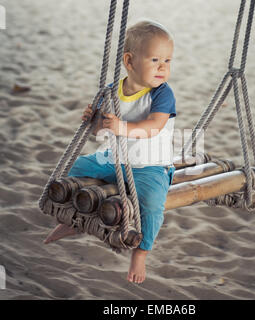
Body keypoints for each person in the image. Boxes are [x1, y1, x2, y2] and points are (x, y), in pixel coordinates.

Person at [44, 20, 176, 284]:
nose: (163, 67)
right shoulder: (112, 91)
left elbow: (153, 127)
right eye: (155, 59)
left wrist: (121, 126)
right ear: (130, 61)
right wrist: (93, 122)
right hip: (112, 159)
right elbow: (101, 132)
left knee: (150, 202)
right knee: (76, 170)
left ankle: (141, 252)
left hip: (149, 164)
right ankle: (75, 220)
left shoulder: (162, 94)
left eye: (168, 60)